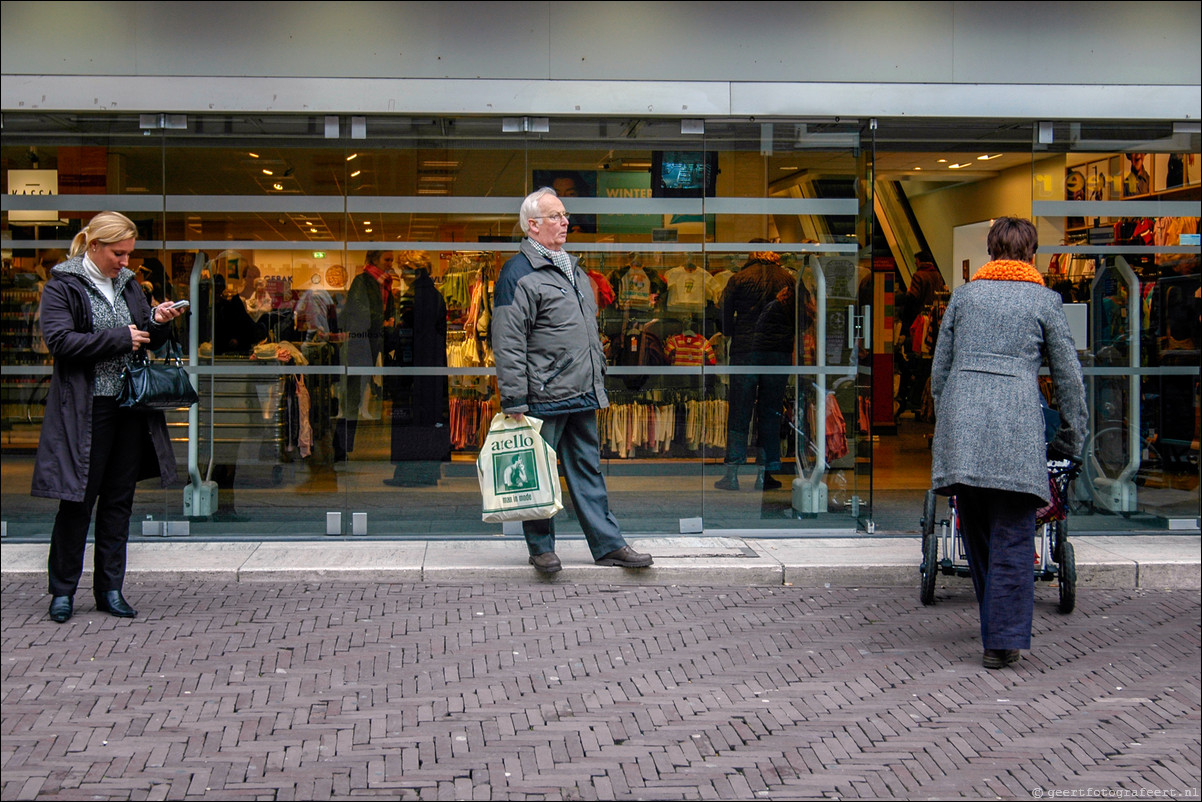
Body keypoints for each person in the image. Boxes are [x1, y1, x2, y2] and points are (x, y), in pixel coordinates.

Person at [929, 217, 1087, 670]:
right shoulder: (1045, 300)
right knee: (1014, 537)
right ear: (1031, 254)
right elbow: (1068, 379)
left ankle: (995, 631)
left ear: (990, 251)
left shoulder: (964, 297)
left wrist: (949, 425)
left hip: (965, 429)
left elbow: (940, 372)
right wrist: (1070, 438)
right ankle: (1003, 639)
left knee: (976, 531)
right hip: (1017, 429)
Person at [31, 211, 188, 623]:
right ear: (94, 246)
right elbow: (61, 341)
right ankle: (62, 591)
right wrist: (121, 336)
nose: (125, 261)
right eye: (118, 253)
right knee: (77, 502)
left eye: (129, 254)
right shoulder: (63, 286)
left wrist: (157, 322)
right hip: (86, 409)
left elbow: (145, 339)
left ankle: (110, 590)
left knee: (119, 501)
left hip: (129, 408)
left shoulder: (130, 284)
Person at [492, 187, 653, 573]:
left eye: (564, 215)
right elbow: (508, 341)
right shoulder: (517, 273)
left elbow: (585, 331)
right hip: (542, 395)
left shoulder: (575, 270)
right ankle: (541, 548)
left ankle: (609, 544)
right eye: (555, 216)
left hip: (581, 391)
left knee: (588, 471)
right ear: (532, 225)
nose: (565, 221)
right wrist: (514, 400)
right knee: (538, 475)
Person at [713, 245, 795, 492]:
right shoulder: (788, 279)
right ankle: (766, 473)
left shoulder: (738, 278)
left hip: (746, 351)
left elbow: (724, 314)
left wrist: (731, 333)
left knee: (740, 409)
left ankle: (733, 473)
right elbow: (800, 315)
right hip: (778, 352)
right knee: (771, 411)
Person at [336, 250, 396, 461]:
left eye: (391, 259)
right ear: (374, 259)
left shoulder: (385, 283)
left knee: (360, 394)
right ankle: (341, 448)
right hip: (360, 344)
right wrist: (383, 321)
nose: (390, 263)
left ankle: (344, 447)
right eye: (386, 259)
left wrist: (388, 322)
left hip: (374, 344)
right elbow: (359, 310)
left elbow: (388, 312)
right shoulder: (362, 281)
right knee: (352, 396)